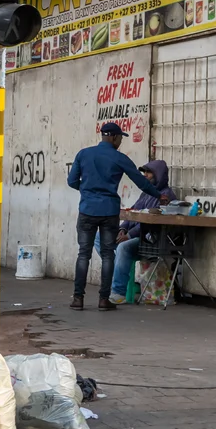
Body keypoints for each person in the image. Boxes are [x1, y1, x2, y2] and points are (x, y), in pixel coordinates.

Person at [67, 122, 153, 311]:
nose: (121, 141)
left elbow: (71, 181)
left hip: (87, 210)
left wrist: (88, 190)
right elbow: (141, 182)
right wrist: (157, 195)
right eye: (120, 137)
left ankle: (78, 299)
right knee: (108, 255)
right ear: (114, 137)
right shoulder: (119, 158)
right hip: (109, 211)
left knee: (83, 254)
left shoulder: (83, 154)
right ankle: (104, 300)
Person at [109, 160, 179, 301]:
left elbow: (151, 223)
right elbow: (133, 211)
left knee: (123, 247)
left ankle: (118, 293)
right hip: (135, 237)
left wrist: (129, 235)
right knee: (100, 238)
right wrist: (122, 228)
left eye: (149, 172)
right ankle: (121, 270)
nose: (145, 175)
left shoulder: (166, 196)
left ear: (158, 175)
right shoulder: (145, 194)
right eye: (144, 172)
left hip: (150, 240)